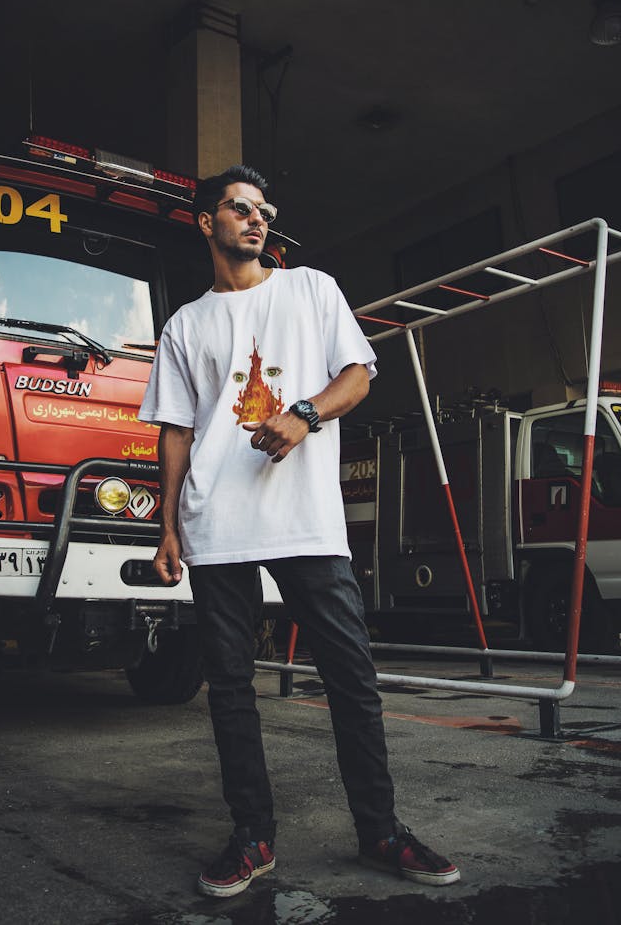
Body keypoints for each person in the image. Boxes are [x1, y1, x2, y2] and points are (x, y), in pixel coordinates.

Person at [138, 164, 460, 898]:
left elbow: (359, 375)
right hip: (217, 521)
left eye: (263, 210)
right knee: (230, 687)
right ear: (206, 222)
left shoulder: (310, 287)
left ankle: (381, 831)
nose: (256, 220)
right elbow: (177, 432)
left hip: (307, 522)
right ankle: (251, 836)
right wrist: (167, 525)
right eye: (239, 209)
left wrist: (304, 414)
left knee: (351, 677)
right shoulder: (186, 324)